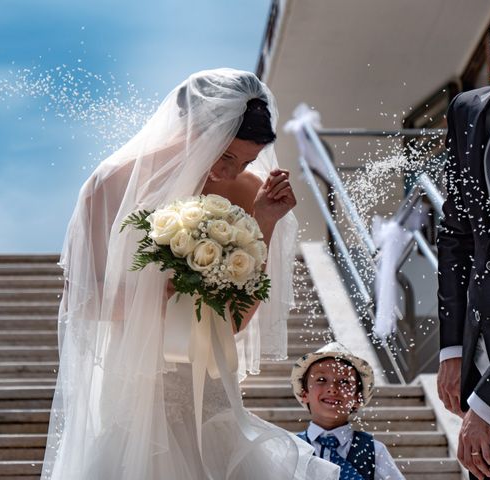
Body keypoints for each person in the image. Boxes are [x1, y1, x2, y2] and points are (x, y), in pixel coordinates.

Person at [41, 68, 340, 479]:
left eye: (247, 160)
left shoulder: (247, 189)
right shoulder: (111, 184)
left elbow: (235, 321)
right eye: (227, 155)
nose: (233, 172)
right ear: (195, 129)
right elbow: (82, 300)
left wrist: (265, 223)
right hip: (135, 385)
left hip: (211, 391)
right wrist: (156, 293)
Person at [437, 11, 490, 480]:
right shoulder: (468, 112)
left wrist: (489, 401)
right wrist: (451, 348)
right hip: (482, 358)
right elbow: (457, 235)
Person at [291, 342, 403, 480]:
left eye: (344, 382)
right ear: (304, 393)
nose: (332, 388)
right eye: (321, 379)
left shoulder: (374, 451)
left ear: (358, 398)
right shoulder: (291, 449)